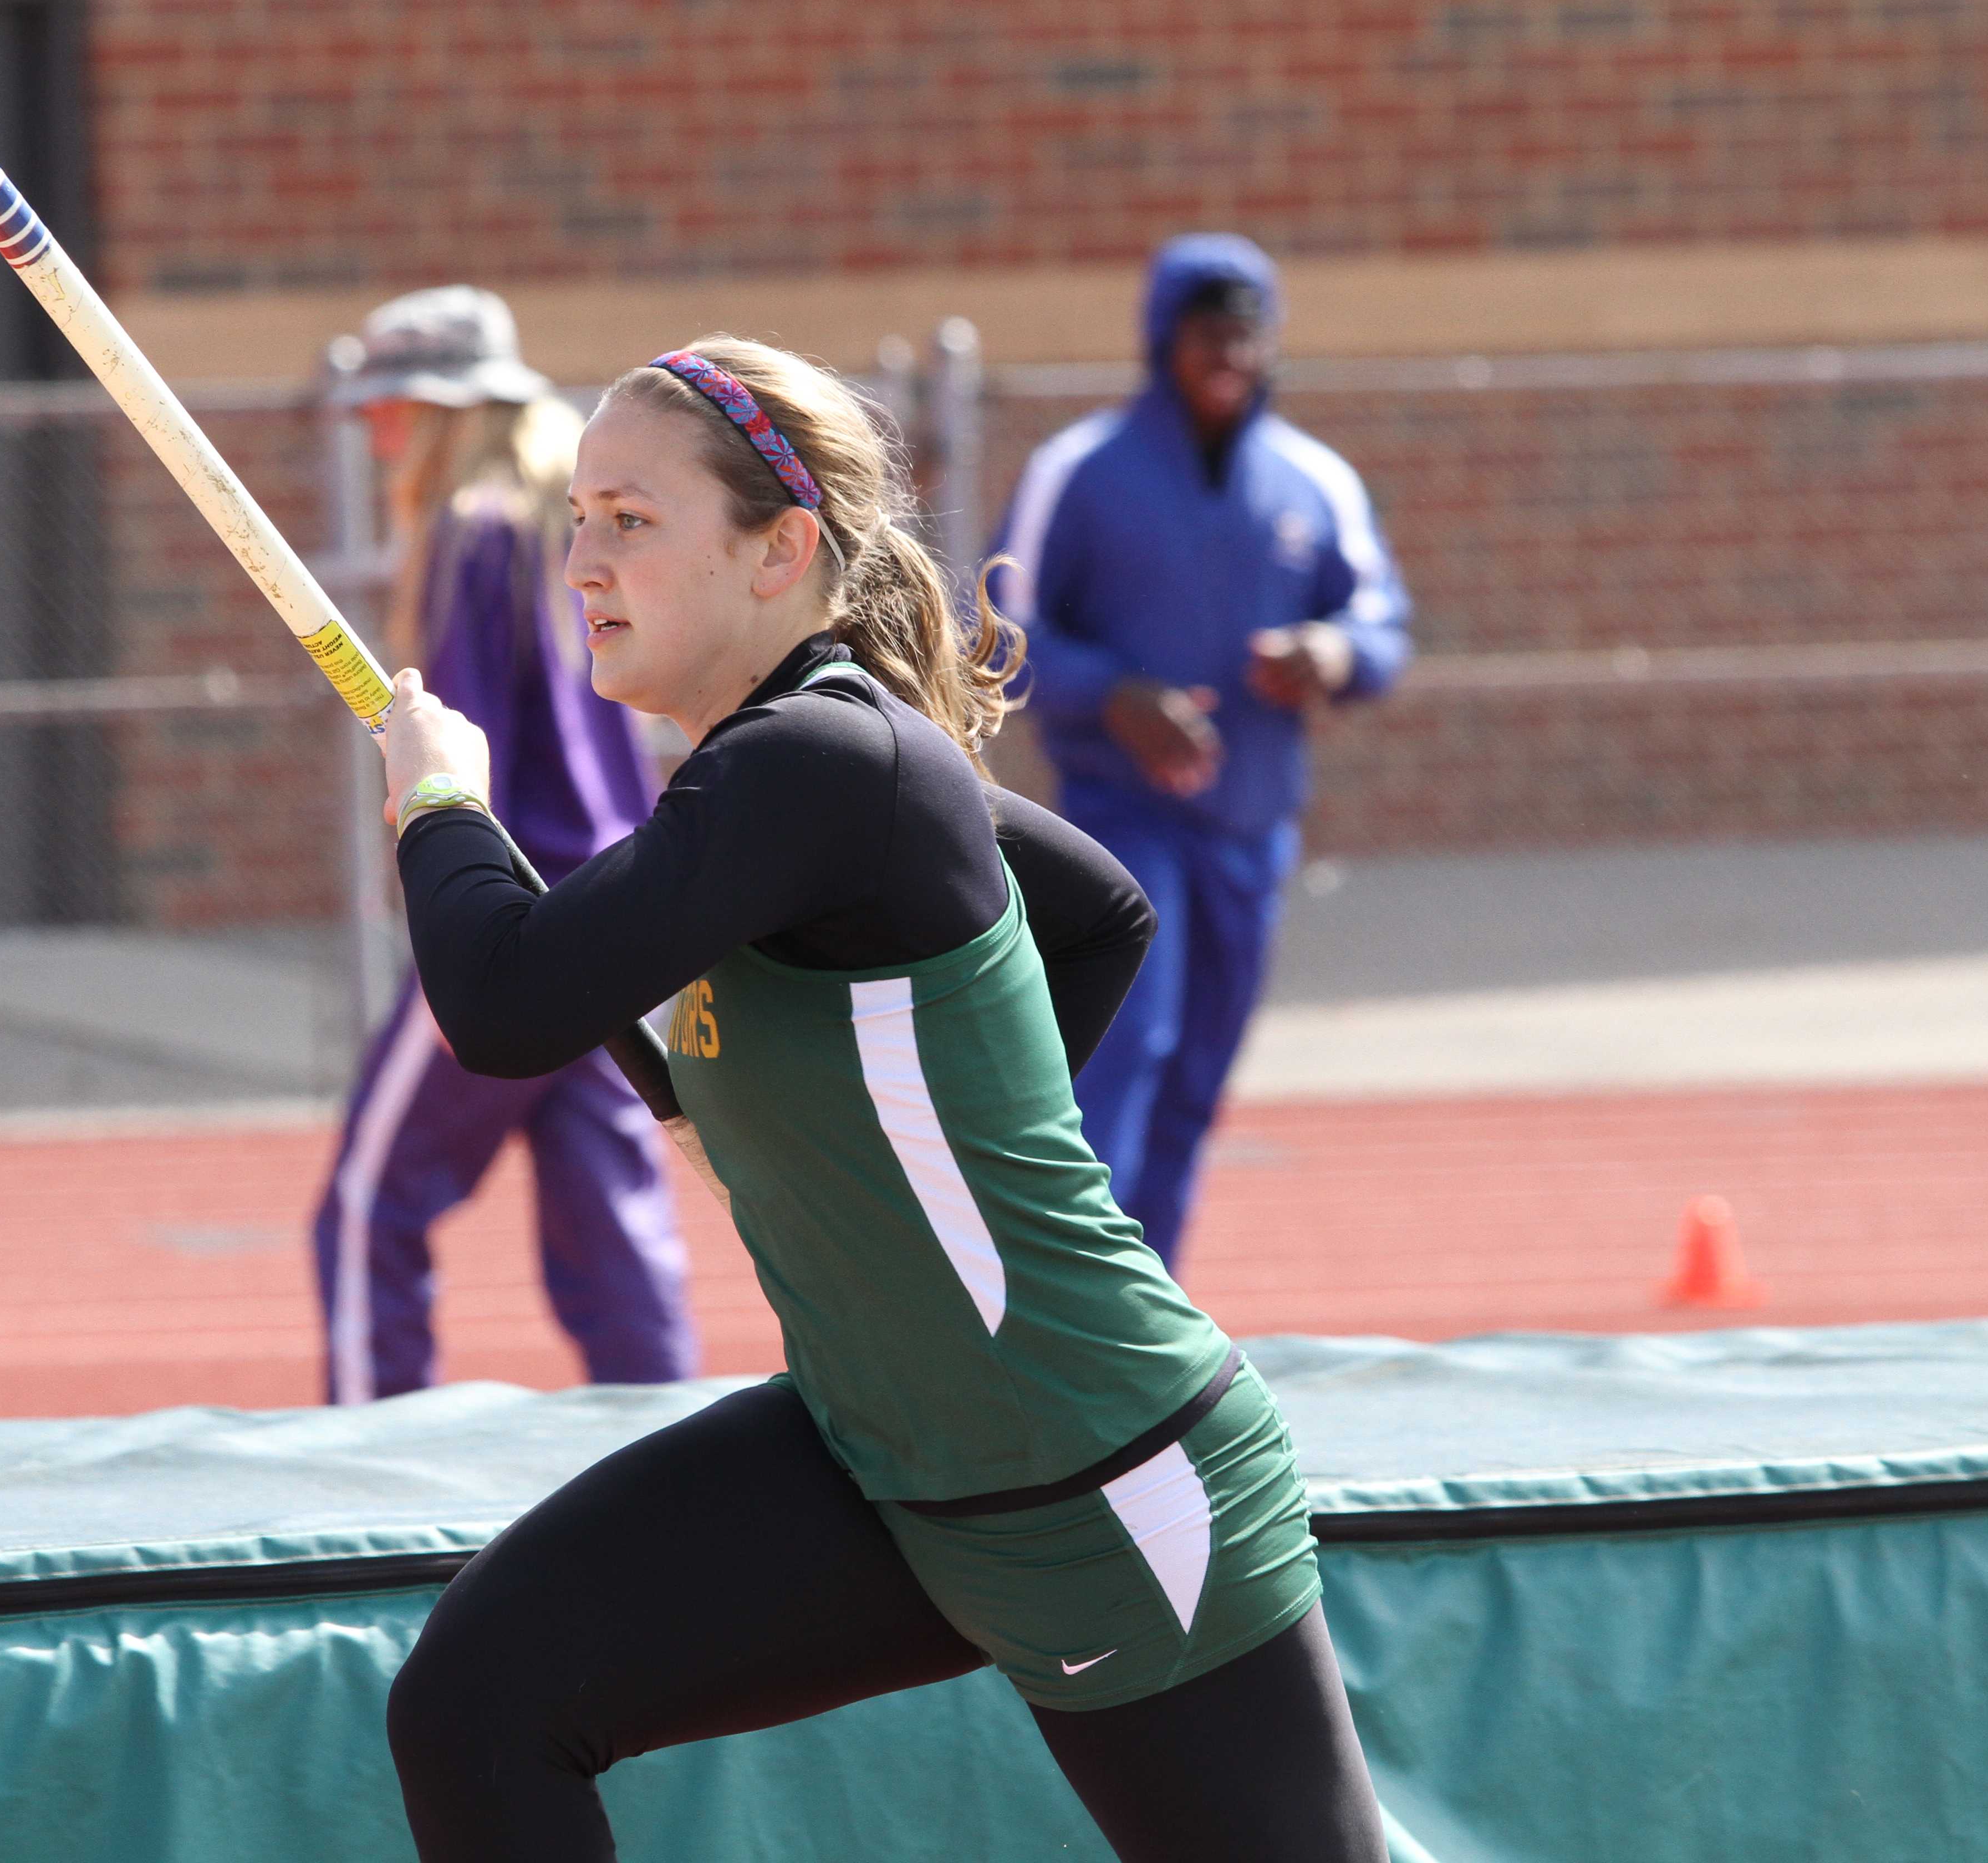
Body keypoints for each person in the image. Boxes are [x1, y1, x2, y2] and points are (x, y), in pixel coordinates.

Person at [375, 334, 1386, 1862]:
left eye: (632, 521)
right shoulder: (802, 771)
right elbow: (1098, 913)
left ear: (782, 550)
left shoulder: (823, 767)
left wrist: (439, 798)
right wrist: (889, 1163)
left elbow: (507, 1002)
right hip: (892, 1457)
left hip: (1103, 1491)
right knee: (478, 1702)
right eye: (576, 516)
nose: (580, 559)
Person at [307, 286, 697, 1404]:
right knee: (610, 1223)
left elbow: (459, 759)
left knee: (368, 1203)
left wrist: (434, 840)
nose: (378, 433)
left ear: (450, 411)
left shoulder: (474, 534)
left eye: (397, 408)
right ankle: (669, 1459)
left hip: (518, 905)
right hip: (618, 909)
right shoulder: (569, 535)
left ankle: (367, 1473)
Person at [995, 233, 1413, 1270]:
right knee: (1121, 1062)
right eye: (1206, 334)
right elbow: (992, 631)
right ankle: (1068, 1305)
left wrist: (1333, 652)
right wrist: (1113, 694)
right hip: (1120, 820)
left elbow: (1385, 626)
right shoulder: (1080, 472)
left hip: (1250, 824)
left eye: (1248, 334)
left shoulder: (1316, 481)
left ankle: (1151, 1297)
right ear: (1161, 340)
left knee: (1197, 1084)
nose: (1229, 355)